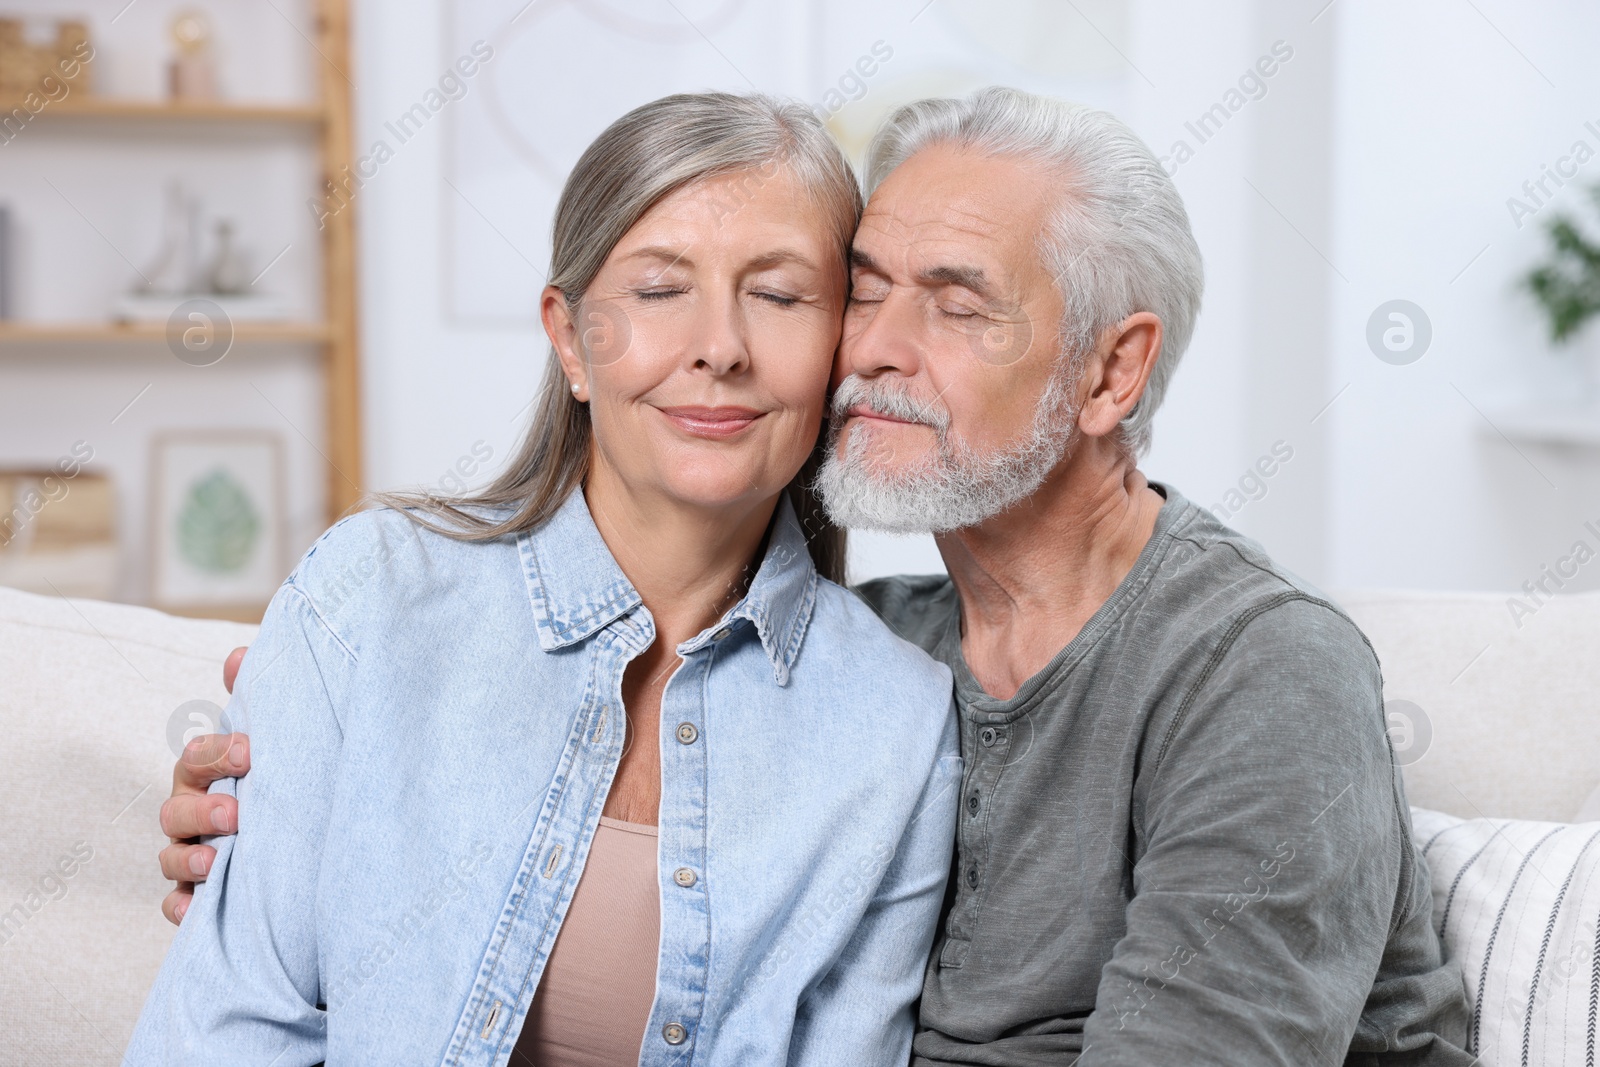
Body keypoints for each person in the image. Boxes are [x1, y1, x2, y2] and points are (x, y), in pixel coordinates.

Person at [158, 88, 1473, 1064]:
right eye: (867, 290)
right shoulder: (886, 641)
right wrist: (320, 809)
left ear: (1112, 373)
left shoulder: (1254, 672)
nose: (874, 348)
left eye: (956, 303)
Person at [127, 92, 961, 1067]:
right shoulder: (370, 593)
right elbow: (223, 1035)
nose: (721, 346)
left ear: (839, 351)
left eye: (778, 295)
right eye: (659, 288)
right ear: (570, 340)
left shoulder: (897, 719)